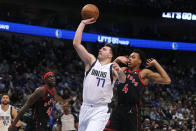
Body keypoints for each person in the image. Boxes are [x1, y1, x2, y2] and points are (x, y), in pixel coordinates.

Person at [73, 18, 126, 131]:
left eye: (104, 49)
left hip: (100, 110)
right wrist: (82, 23)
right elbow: (76, 44)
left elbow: (122, 80)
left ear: (110, 55)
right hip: (85, 108)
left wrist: (120, 71)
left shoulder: (112, 67)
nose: (100, 50)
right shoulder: (91, 61)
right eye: (101, 48)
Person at [104, 49, 171, 131]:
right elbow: (106, 73)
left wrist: (155, 63)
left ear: (139, 61)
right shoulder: (123, 69)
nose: (130, 59)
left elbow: (167, 80)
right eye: (129, 57)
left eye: (133, 57)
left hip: (132, 110)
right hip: (118, 107)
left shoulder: (143, 73)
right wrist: (117, 59)